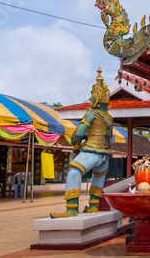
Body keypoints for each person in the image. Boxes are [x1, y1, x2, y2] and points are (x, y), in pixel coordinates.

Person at [51, 68, 113, 217]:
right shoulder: (109, 118)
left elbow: (79, 132)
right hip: (105, 154)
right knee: (98, 176)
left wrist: (76, 140)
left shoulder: (92, 113)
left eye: (92, 96)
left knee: (73, 171)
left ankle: (71, 209)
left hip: (92, 150)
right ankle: (92, 206)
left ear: (95, 98)